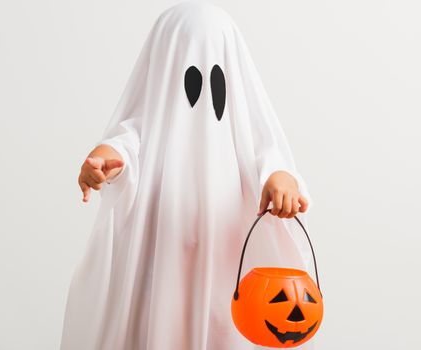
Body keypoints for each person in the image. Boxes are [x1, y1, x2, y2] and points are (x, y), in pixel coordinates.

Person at [60, 1, 315, 349]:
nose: (203, 93)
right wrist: (104, 161)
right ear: (164, 70)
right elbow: (123, 147)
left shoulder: (245, 132)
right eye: (187, 74)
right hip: (158, 270)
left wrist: (281, 179)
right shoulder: (147, 128)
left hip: (225, 273)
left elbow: (271, 159)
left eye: (216, 75)